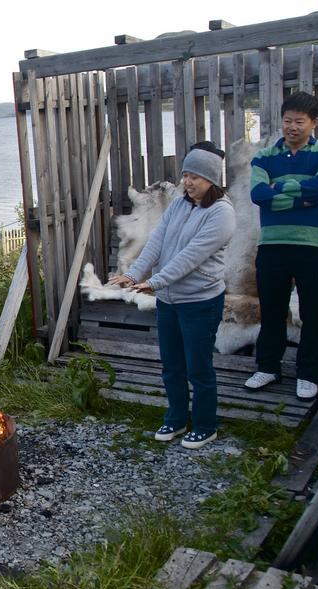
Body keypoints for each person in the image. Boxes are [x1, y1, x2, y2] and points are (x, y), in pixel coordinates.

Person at [108, 141, 236, 450]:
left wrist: (156, 282)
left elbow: (190, 258)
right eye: (186, 174)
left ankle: (206, 425)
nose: (189, 181)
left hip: (201, 302)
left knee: (198, 367)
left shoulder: (222, 214)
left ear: (212, 179)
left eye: (196, 176)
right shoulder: (179, 203)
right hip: (170, 300)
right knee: (172, 365)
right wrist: (134, 273)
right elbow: (158, 242)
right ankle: (177, 418)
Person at [245, 91, 318, 401]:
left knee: (314, 311)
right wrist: (302, 195)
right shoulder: (264, 156)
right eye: (287, 121)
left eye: (300, 121)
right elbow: (258, 195)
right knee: (272, 308)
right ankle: (268, 366)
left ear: (313, 122)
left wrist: (281, 190)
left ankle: (309, 372)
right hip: (273, 244)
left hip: (314, 245)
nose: (292, 127)